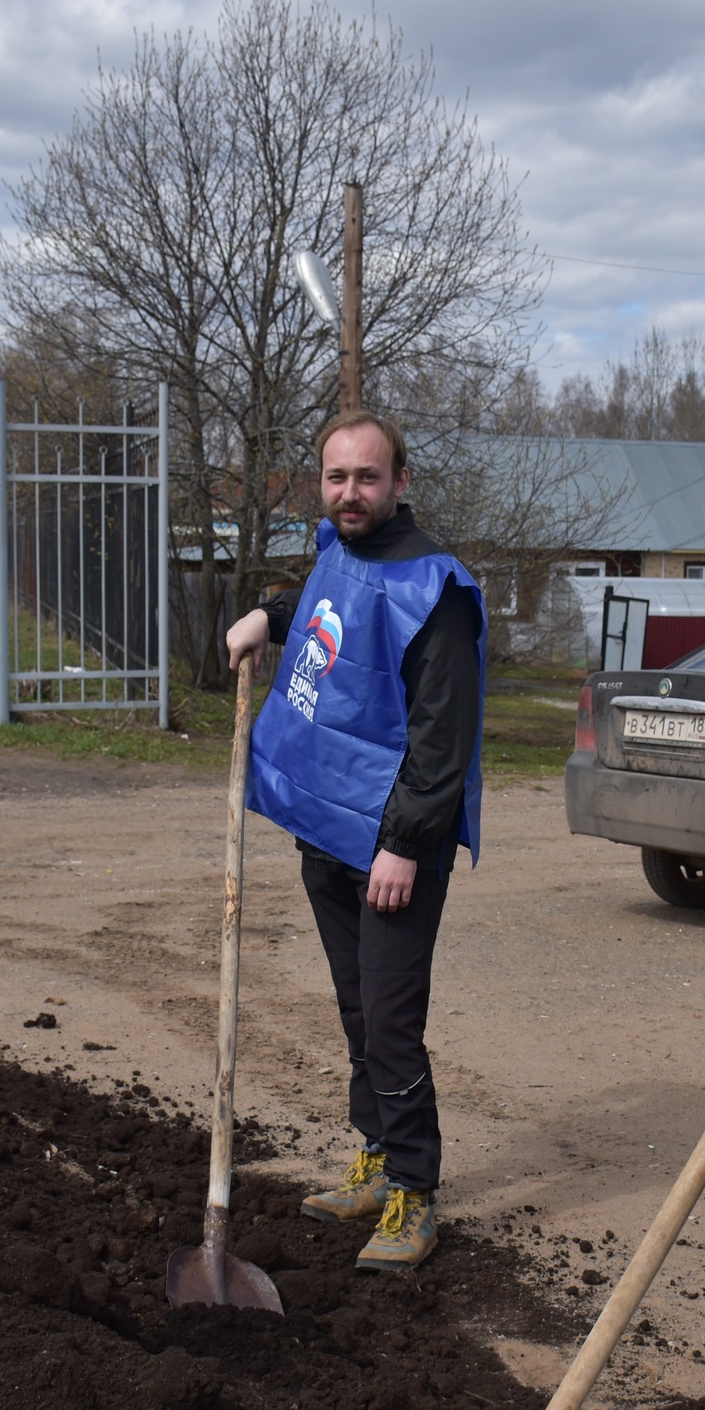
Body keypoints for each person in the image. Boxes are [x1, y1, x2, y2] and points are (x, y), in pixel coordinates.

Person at [224, 408, 485, 1276]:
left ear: (399, 483)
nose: (349, 492)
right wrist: (269, 614)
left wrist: (406, 843)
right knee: (357, 1009)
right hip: (329, 829)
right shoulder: (338, 552)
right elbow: (323, 605)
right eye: (336, 478)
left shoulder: (436, 589)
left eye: (366, 478)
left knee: (393, 1021)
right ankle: (377, 1155)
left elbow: (444, 737)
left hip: (395, 847)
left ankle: (415, 1188)